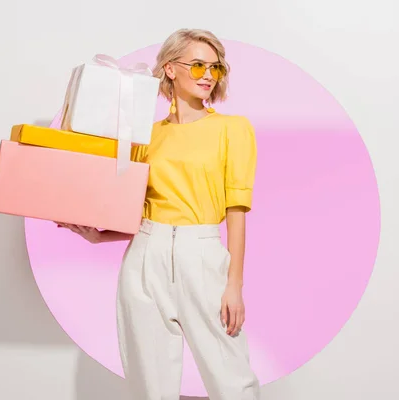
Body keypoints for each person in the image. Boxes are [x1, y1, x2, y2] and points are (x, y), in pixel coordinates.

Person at [57, 29, 260, 400]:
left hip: (200, 255)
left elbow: (236, 210)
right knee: (150, 383)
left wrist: (234, 284)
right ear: (169, 68)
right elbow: (137, 209)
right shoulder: (147, 137)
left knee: (232, 380)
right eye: (197, 64)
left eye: (215, 68)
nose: (207, 75)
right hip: (144, 256)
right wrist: (100, 235)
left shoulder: (233, 129)